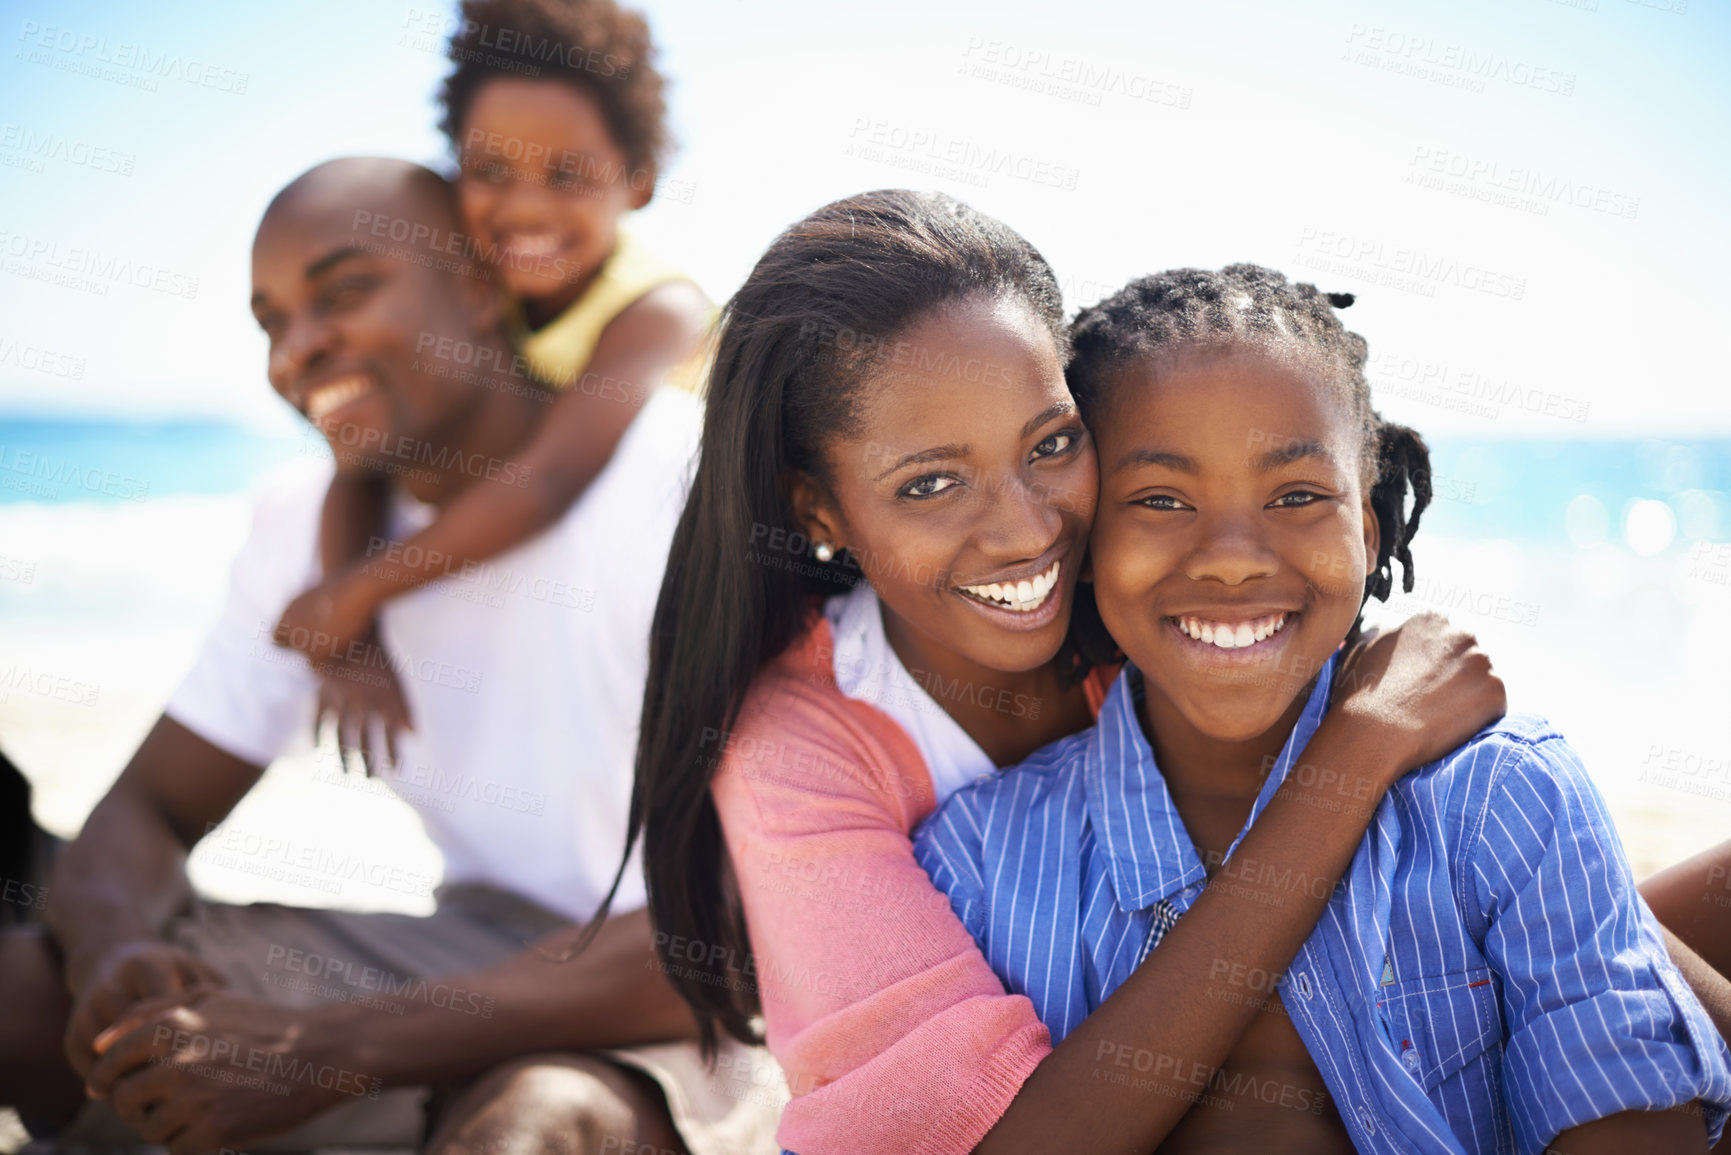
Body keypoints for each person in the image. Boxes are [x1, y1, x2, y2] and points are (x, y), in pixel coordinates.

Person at [622, 188, 1512, 1155]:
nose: (1027, 528)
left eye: (1050, 444)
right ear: (818, 511)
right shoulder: (800, 738)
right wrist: (1356, 754)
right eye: (929, 483)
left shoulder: (1162, 608)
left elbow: (1532, 929)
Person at [0, 157, 782, 1155]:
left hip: (697, 992)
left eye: (345, 291)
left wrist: (320, 1048)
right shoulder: (307, 531)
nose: (299, 351)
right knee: (29, 986)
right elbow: (144, 811)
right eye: (271, 322)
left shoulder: (678, 481)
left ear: (477, 285)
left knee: (528, 1126)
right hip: (468, 950)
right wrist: (116, 953)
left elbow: (744, 936)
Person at [913, 264, 1731, 1153]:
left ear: (1368, 529)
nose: (1231, 557)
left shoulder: (1503, 798)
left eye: (1297, 495)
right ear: (1081, 535)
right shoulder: (978, 860)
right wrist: (1357, 753)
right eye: (1159, 499)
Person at [272, 0, 712, 766]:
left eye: (568, 174)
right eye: (491, 171)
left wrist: (357, 593)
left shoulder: (658, 310)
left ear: (637, 180)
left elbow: (549, 478)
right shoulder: (481, 287)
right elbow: (360, 467)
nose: (526, 206)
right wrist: (353, 639)